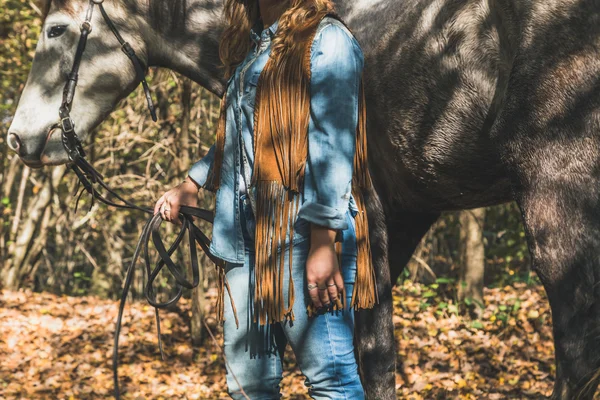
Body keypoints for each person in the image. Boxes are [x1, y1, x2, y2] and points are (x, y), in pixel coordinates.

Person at [154, 0, 376, 398]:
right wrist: (192, 183)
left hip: (304, 237)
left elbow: (333, 146)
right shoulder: (254, 47)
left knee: (331, 381)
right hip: (242, 243)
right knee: (248, 386)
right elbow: (238, 139)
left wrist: (324, 242)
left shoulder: (328, 40)